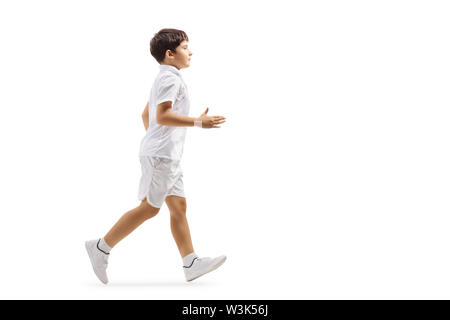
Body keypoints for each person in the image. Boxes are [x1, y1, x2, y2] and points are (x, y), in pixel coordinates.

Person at [85, 28, 227, 284]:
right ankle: (101, 247)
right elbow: (160, 116)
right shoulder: (169, 79)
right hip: (161, 157)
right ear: (170, 54)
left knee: (179, 207)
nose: (190, 51)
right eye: (185, 47)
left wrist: (159, 142)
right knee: (150, 208)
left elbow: (146, 116)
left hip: (166, 156)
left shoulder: (167, 78)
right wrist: (198, 123)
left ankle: (190, 262)